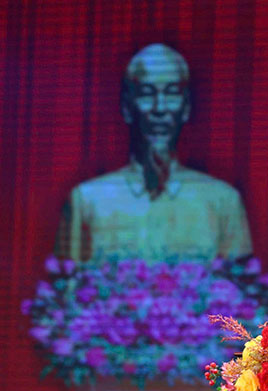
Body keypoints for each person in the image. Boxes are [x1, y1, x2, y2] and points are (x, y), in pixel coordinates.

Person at [55, 43, 252, 261]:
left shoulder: (223, 202)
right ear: (127, 108)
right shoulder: (87, 201)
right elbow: (67, 288)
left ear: (185, 108)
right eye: (147, 94)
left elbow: (241, 289)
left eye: (171, 94)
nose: (160, 108)